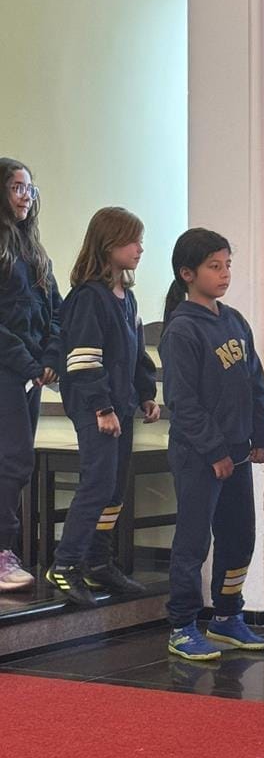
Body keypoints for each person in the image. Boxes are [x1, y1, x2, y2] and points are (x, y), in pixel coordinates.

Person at [159, 228, 264, 660]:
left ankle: (227, 615)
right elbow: (183, 403)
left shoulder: (234, 320)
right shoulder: (183, 330)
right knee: (193, 543)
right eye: (214, 266)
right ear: (187, 274)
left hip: (238, 453)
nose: (224, 274)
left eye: (227, 265)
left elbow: (254, 383)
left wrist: (260, 435)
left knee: (239, 537)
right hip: (199, 457)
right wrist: (215, 452)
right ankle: (182, 625)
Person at [45, 207, 160, 606]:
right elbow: (83, 359)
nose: (140, 249)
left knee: (113, 486)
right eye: (133, 241)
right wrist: (101, 407)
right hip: (96, 406)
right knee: (97, 482)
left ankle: (97, 561)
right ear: (109, 244)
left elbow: (136, 353)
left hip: (120, 404)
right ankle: (65, 563)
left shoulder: (127, 298)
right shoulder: (88, 297)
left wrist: (145, 393)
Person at [0, 157, 62, 593]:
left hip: (30, 371)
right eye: (17, 188)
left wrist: (51, 355)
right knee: (13, 459)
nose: (26, 196)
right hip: (8, 367)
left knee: (17, 462)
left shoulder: (35, 251)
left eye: (29, 188)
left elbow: (55, 310)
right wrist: (27, 361)